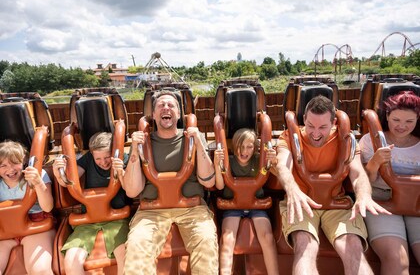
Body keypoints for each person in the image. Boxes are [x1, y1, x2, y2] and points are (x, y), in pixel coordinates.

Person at [273, 95, 391, 275]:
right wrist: (292, 189)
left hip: (337, 203)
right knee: (305, 245)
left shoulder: (346, 139)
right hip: (302, 202)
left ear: (334, 122)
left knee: (353, 245)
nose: (316, 133)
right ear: (304, 119)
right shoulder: (289, 136)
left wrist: (363, 195)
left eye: (322, 127)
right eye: (311, 125)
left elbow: (358, 173)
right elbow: (282, 165)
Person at [122, 90, 219, 275]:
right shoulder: (143, 142)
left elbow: (208, 181)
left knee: (205, 241)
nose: (166, 108)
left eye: (171, 105)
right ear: (153, 115)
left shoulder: (192, 138)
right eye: (161, 105)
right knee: (137, 246)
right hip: (151, 212)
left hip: (192, 208)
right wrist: (134, 150)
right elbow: (132, 191)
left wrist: (199, 143)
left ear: (179, 114)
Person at [359, 91, 420, 275]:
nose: (402, 126)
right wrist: (375, 162)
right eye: (396, 120)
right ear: (387, 116)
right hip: (382, 201)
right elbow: (364, 182)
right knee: (397, 257)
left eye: (409, 121)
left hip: (416, 204)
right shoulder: (370, 141)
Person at [52, 132, 129, 275]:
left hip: (117, 219)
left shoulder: (123, 159)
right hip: (88, 220)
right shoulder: (88, 160)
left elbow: (130, 190)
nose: (104, 162)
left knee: (125, 257)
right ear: (92, 155)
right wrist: (58, 173)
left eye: (107, 157)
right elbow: (70, 183)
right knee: (71, 261)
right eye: (98, 158)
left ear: (114, 152)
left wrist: (121, 171)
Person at [214, 128, 279, 275]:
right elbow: (219, 185)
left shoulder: (258, 160)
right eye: (240, 146)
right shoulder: (229, 162)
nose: (244, 151)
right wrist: (217, 165)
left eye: (249, 147)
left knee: (267, 237)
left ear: (255, 148)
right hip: (233, 206)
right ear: (233, 146)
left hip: (256, 205)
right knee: (227, 238)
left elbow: (277, 174)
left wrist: (274, 162)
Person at [0, 141, 55, 275]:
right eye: (3, 165)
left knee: (40, 270)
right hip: (8, 229)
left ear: (24, 160)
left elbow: (48, 207)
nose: (10, 169)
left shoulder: (37, 175)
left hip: (35, 224)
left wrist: (37, 183)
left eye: (14, 163)